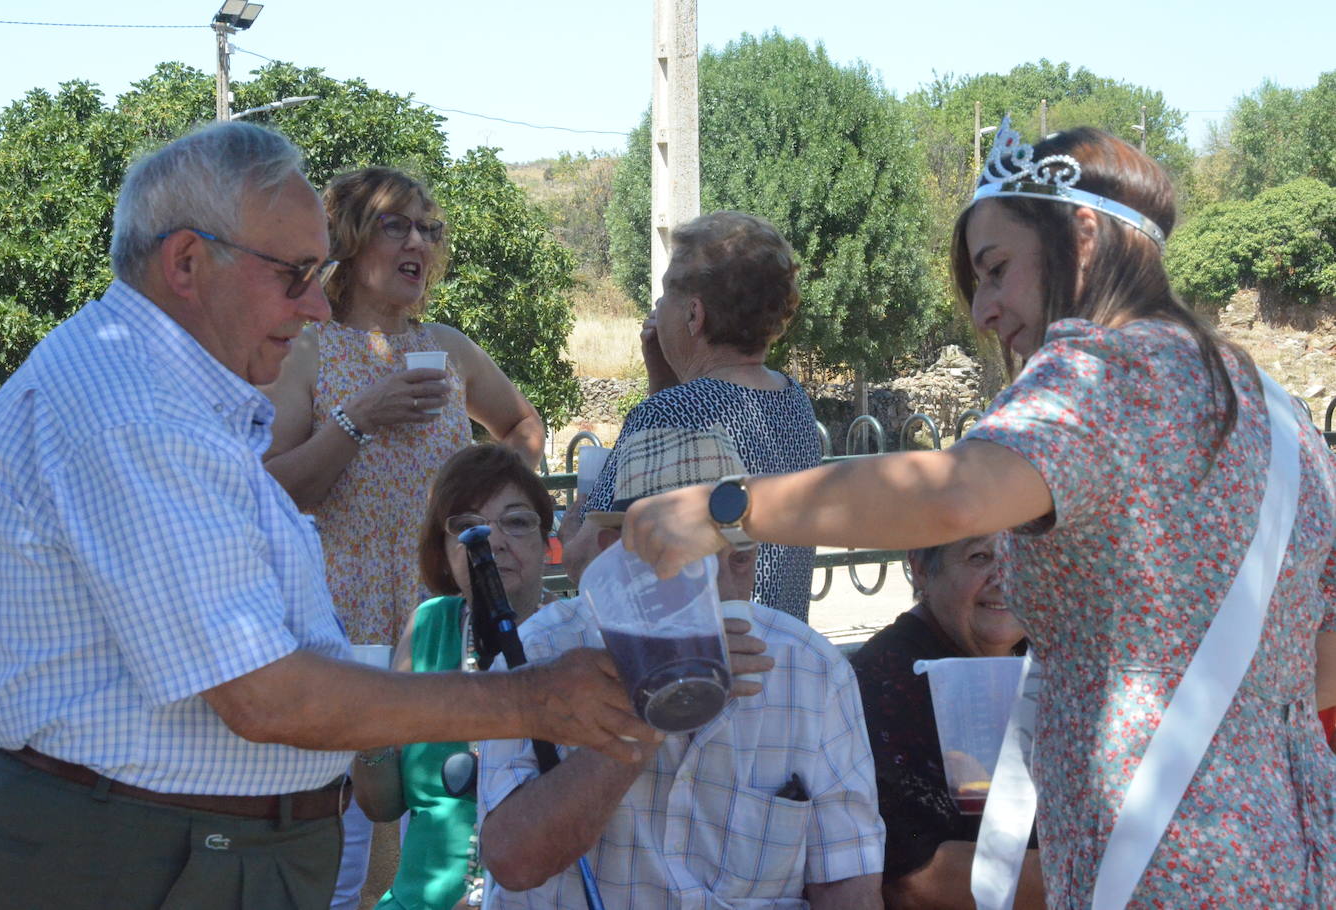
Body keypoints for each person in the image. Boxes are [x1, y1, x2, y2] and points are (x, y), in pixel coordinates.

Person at [621, 120, 1336, 906]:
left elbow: (949, 494)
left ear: (1084, 237)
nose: (985, 311)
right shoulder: (1276, 413)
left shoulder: (1106, 369)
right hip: (1286, 848)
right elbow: (1322, 655)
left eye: (996, 270)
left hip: (1158, 866)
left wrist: (728, 508)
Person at [0, 122, 658, 910]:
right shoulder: (133, 410)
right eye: (295, 274)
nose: (315, 307)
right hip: (147, 854)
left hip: (186, 847)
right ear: (186, 262)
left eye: (318, 271)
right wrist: (532, 700)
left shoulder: (169, 393)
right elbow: (264, 696)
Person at [260, 166, 545, 907]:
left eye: (430, 228)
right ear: (350, 244)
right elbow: (271, 491)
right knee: (342, 855)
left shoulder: (446, 349)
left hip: (442, 628)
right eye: (398, 225)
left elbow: (521, 424)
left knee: (451, 832)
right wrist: (360, 418)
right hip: (338, 630)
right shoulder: (308, 350)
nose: (420, 241)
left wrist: (496, 511)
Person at [479, 426, 884, 909]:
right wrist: (653, 709)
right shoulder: (541, 653)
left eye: (741, 555)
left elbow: (849, 887)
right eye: (692, 559)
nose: (725, 586)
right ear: (617, 554)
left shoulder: (813, 670)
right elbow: (513, 861)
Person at [562, 211, 821, 620]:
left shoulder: (667, 414)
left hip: (708, 659)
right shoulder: (795, 401)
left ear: (694, 315)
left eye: (666, 294)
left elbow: (587, 559)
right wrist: (663, 382)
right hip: (778, 651)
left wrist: (573, 522)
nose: (657, 307)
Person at [351, 444, 554, 910]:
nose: (492, 540)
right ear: (442, 553)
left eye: (517, 522)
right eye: (467, 527)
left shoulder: (575, 642)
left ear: (548, 542)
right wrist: (370, 731)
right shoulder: (427, 626)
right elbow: (382, 806)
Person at [850, 535, 1045, 909]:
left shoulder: (1053, 656)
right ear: (920, 568)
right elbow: (913, 878)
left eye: (1024, 552)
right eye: (980, 556)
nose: (1006, 575)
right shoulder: (882, 681)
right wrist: (1102, 877)